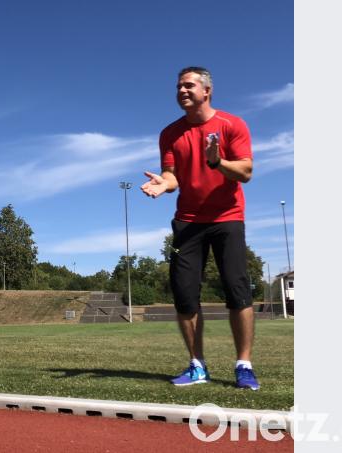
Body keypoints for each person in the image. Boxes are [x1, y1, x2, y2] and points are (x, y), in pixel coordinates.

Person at [140, 66, 260, 390]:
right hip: (188, 222)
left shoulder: (232, 124)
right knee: (184, 294)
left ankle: (244, 365)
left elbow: (246, 172)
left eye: (189, 85)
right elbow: (171, 175)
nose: (182, 90)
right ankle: (197, 365)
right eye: (179, 86)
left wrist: (217, 162)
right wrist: (164, 184)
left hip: (227, 218)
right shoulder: (169, 133)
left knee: (237, 289)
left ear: (207, 90)